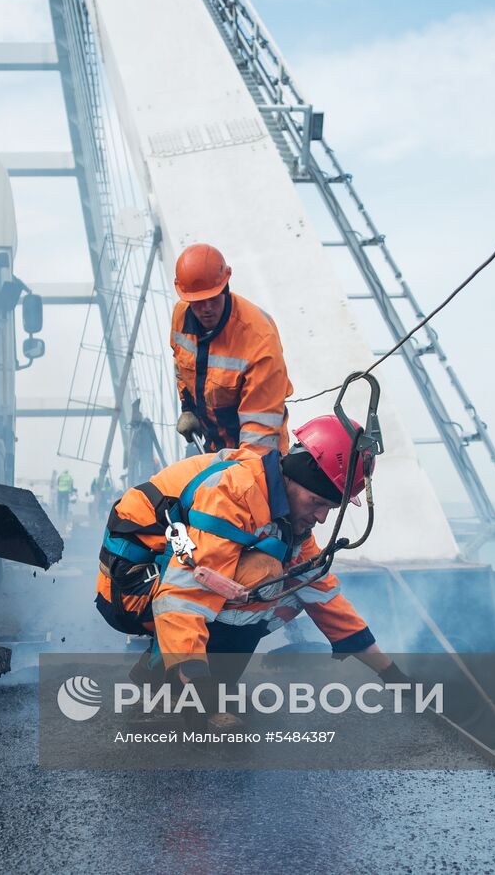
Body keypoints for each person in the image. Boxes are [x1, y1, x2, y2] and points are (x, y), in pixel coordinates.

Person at [94, 415, 406, 698]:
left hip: (162, 574)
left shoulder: (285, 516)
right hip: (130, 586)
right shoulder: (237, 494)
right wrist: (195, 681)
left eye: (330, 508)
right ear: (297, 479)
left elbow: (325, 596)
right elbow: (184, 594)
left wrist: (391, 674)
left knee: (298, 588)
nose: (322, 518)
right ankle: (192, 684)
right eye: (317, 503)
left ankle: (158, 669)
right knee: (262, 575)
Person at [170, 243, 292, 455]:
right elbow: (182, 365)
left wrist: (240, 474)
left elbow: (260, 434)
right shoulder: (180, 317)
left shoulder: (259, 340)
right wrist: (188, 408)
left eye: (213, 299)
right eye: (198, 302)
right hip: (214, 445)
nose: (206, 308)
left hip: (258, 454)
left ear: (226, 287)